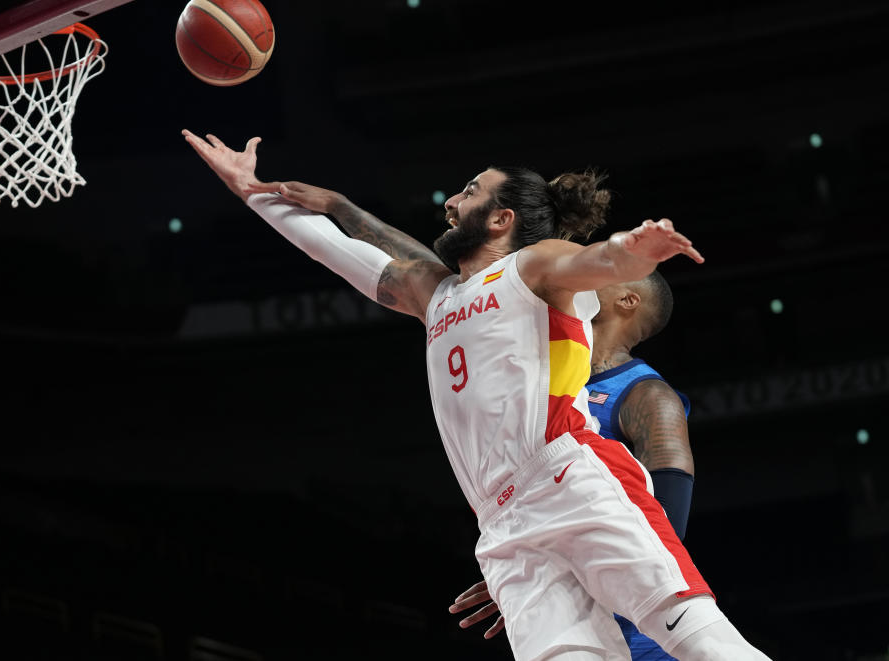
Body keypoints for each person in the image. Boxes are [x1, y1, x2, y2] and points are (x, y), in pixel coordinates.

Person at [181, 129, 771, 660]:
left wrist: (634, 249)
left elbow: (600, 260)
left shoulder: (535, 266)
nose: (451, 201)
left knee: (700, 641)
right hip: (501, 522)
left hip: (569, 479)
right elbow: (340, 250)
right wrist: (253, 192)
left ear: (500, 219)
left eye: (469, 191)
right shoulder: (433, 295)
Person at [450, 272, 695, 660]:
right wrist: (529, 563)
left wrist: (560, 561)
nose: (585, 270)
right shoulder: (549, 379)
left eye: (608, 272)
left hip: (642, 634)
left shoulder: (647, 395)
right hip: (567, 616)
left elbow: (667, 528)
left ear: (628, 301)